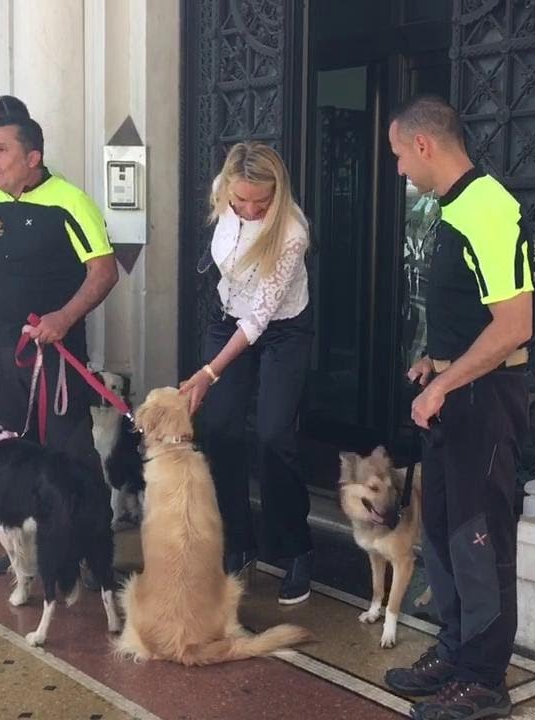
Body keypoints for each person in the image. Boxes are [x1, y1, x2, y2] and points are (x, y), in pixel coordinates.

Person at [381, 95, 533, 720]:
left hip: (485, 403)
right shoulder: (449, 210)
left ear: (423, 145)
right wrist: (434, 363)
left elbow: (514, 325)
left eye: (396, 155)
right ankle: (454, 651)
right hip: (452, 397)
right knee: (443, 533)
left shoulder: (489, 207)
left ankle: (483, 677)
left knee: (478, 537)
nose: (397, 170)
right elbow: (469, 315)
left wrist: (447, 384)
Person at [0, 114, 119, 572]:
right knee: (10, 448)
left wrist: (63, 317)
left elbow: (104, 270)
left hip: (54, 351)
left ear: (33, 157)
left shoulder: (70, 201)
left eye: (1, 150)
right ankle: (28, 550)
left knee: (69, 451)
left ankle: (93, 550)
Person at [178, 141, 315, 605]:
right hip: (225, 316)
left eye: (263, 201)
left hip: (282, 329)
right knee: (219, 429)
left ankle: (295, 548)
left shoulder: (293, 231)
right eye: (241, 202)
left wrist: (206, 374)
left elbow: (259, 320)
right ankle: (238, 542)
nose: (252, 210)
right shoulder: (223, 189)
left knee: (274, 434)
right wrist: (212, 375)